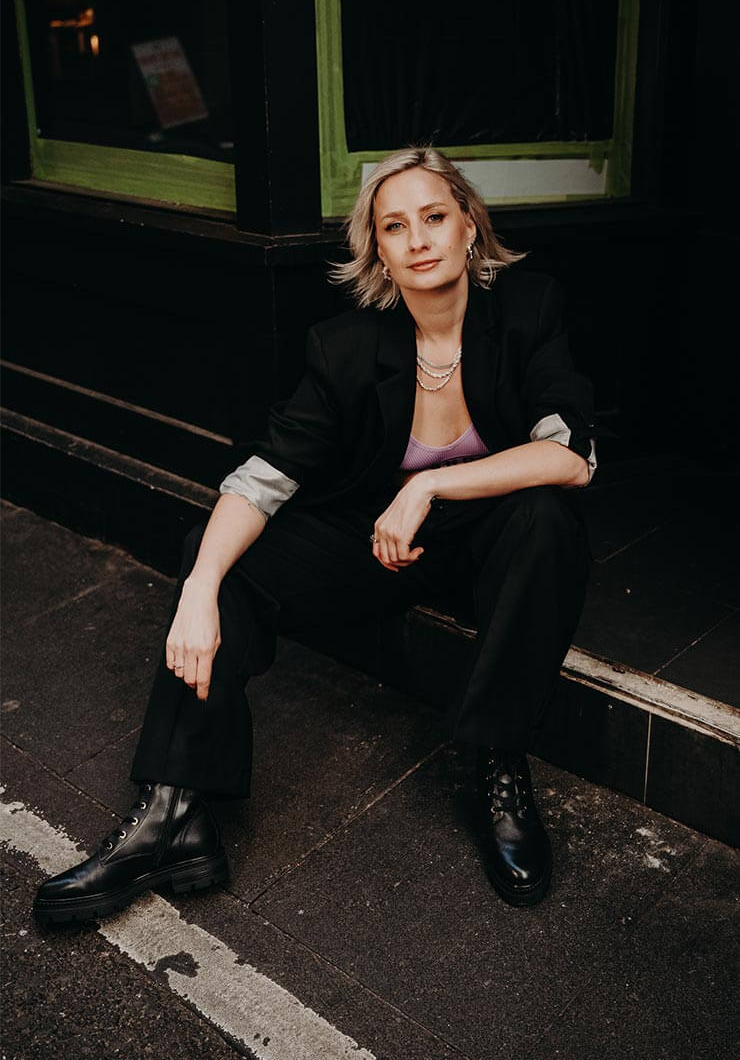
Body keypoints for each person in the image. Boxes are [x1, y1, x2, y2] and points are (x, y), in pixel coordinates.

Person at [33, 146, 597, 924]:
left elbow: (571, 456)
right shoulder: (347, 346)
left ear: (470, 225)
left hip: (492, 547)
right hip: (374, 547)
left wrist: (430, 483)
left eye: (435, 216)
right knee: (218, 553)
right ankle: (174, 815)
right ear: (379, 251)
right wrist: (197, 592)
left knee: (547, 517)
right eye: (395, 227)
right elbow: (265, 475)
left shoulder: (529, 309)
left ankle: (496, 759)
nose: (420, 239)